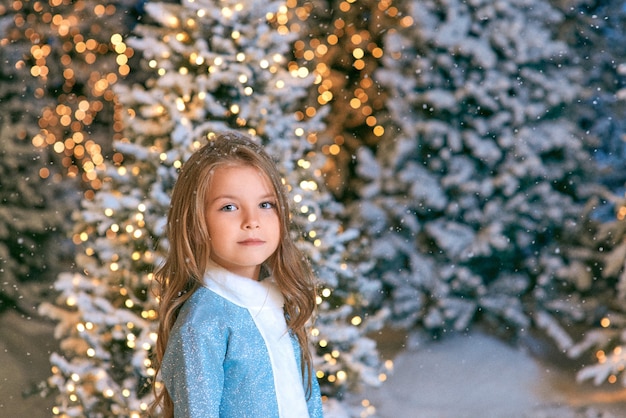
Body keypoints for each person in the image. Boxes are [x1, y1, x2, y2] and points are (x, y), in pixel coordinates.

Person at [151, 132, 324, 417]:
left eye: (265, 204)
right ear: (196, 223)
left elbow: (308, 403)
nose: (252, 221)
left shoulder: (279, 304)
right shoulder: (203, 324)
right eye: (229, 207)